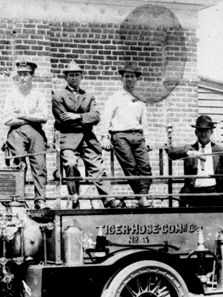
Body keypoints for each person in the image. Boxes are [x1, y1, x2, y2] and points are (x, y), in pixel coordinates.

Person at [52, 60, 122, 209]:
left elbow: (96, 117)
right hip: (68, 138)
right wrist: (85, 119)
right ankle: (74, 196)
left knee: (97, 167)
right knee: (70, 163)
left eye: (77, 75)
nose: (74, 78)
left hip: (88, 139)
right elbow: (62, 120)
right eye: (71, 75)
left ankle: (109, 199)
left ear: (81, 77)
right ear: (66, 77)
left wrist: (77, 117)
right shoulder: (59, 96)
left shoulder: (88, 96)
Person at [100, 62, 153, 207]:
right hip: (120, 136)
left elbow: (145, 120)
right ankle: (142, 198)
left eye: (132, 77)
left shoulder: (140, 98)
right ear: (122, 78)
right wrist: (104, 137)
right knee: (131, 167)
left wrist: (147, 139)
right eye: (126, 76)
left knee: (146, 167)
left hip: (138, 135)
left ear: (136, 79)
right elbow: (106, 118)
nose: (129, 79)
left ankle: (143, 196)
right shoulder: (115, 97)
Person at [3, 60, 49, 209]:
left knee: (39, 166)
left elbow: (43, 117)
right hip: (16, 134)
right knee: (19, 165)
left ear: (32, 76)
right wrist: (30, 117)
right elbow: (7, 120)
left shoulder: (39, 95)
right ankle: (19, 200)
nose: (23, 78)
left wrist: (21, 115)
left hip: (36, 134)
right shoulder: (11, 96)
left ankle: (40, 200)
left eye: (26, 75)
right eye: (20, 75)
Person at [167, 114, 223, 207]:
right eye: (200, 130)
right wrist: (190, 153)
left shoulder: (220, 151)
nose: (203, 134)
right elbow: (171, 153)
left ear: (211, 131)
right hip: (194, 195)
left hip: (215, 194)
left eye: (206, 131)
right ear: (196, 132)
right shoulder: (190, 149)